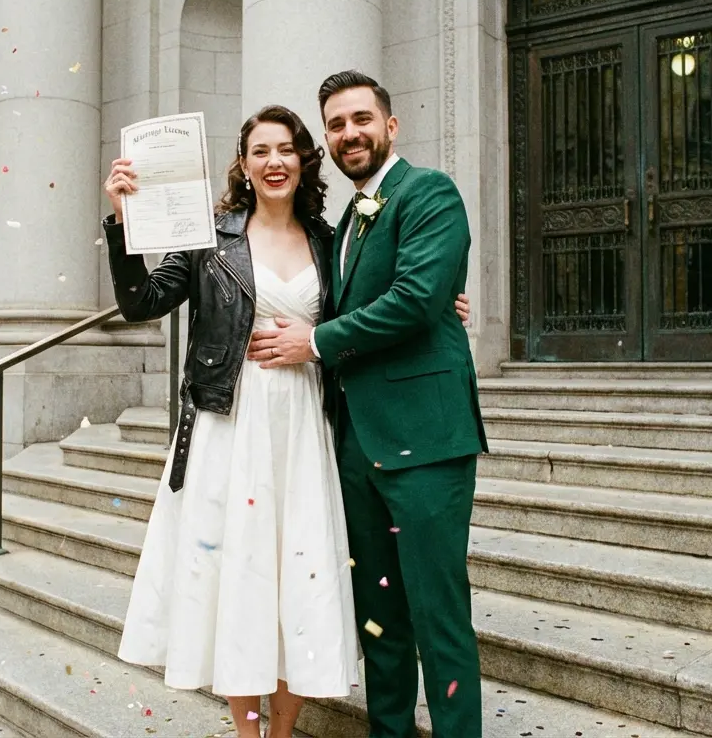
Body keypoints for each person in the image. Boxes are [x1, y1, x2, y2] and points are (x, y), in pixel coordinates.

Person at [104, 105, 471, 738]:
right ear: (242, 165)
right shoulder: (206, 238)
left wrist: (444, 307)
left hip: (305, 428)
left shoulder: (333, 241)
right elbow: (141, 302)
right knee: (241, 581)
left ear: (305, 160)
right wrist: (120, 218)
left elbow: (382, 302)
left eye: (286, 149)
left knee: (294, 583)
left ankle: (282, 733)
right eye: (259, 151)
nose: (274, 161)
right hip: (231, 425)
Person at [248, 71, 488, 737]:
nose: (349, 133)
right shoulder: (347, 222)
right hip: (355, 445)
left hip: (428, 441)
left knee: (438, 615)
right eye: (335, 124)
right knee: (379, 615)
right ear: (325, 140)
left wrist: (315, 341)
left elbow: (415, 297)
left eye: (361, 118)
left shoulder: (428, 193)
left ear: (391, 126)